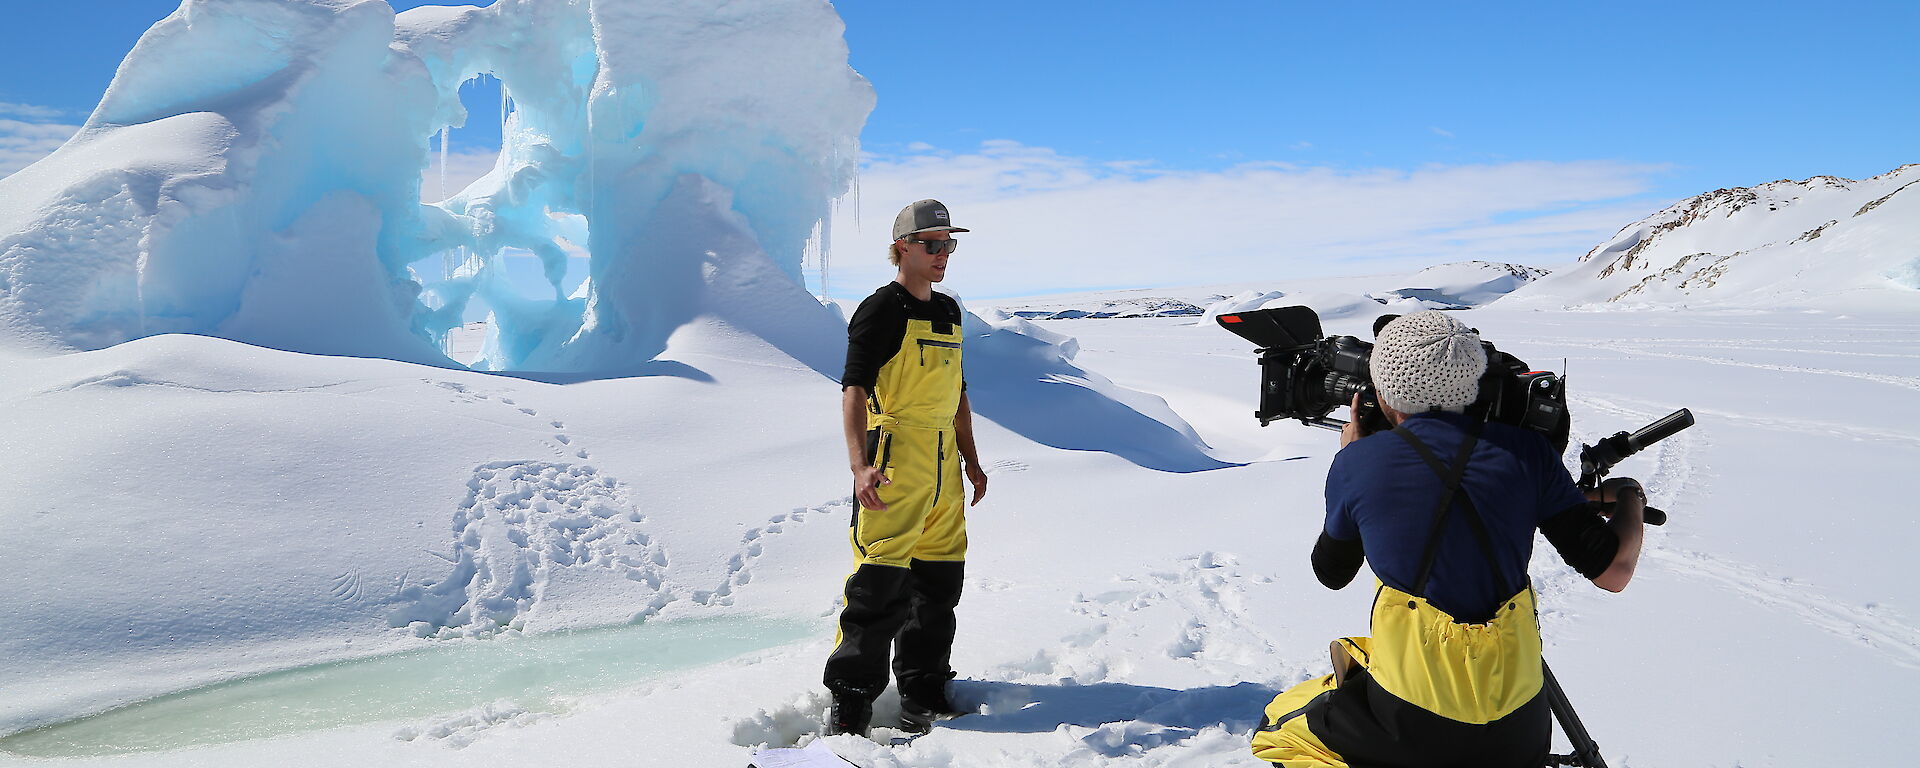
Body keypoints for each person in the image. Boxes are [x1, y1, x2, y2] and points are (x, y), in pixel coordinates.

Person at [1250, 311, 1646, 768]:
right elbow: (1614, 572)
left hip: (1410, 728)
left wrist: (1352, 460)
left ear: (1382, 391)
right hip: (1520, 736)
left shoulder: (1360, 463)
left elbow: (1331, 572)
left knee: (1277, 729)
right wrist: (1630, 495)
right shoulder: (1529, 454)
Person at [824, 199, 990, 737]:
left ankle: (924, 689)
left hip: (942, 461)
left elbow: (958, 394)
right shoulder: (880, 309)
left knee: (939, 584)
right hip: (894, 458)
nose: (943, 254)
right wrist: (859, 465)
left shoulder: (948, 311)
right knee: (879, 586)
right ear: (901, 248)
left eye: (949, 244)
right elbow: (852, 391)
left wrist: (971, 460)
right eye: (932, 243)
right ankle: (851, 707)